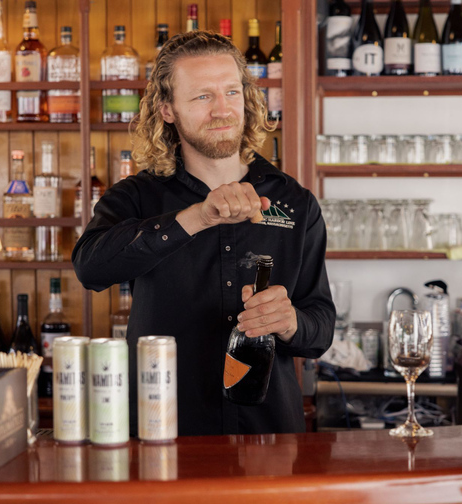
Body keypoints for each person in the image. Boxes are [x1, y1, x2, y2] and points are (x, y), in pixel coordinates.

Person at [72, 31, 335, 437]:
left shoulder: (295, 202)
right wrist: (195, 217)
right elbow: (90, 267)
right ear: (167, 110)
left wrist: (290, 323)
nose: (222, 109)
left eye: (231, 92)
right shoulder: (137, 196)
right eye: (202, 97)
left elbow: (320, 327)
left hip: (269, 435)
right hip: (165, 432)